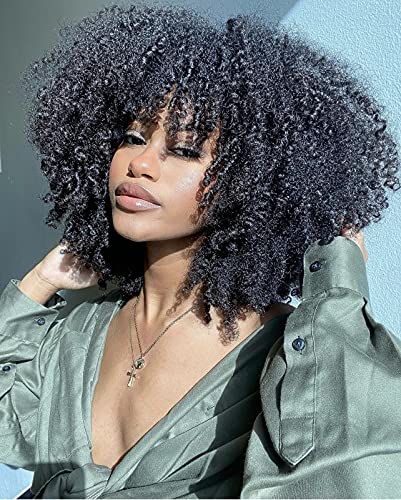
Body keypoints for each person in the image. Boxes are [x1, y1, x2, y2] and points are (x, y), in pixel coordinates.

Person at [1, 3, 400, 498]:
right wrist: (40, 283)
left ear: (249, 181)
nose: (141, 164)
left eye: (185, 149)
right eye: (133, 137)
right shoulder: (82, 330)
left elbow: (348, 474)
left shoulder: (290, 356)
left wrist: (337, 295)